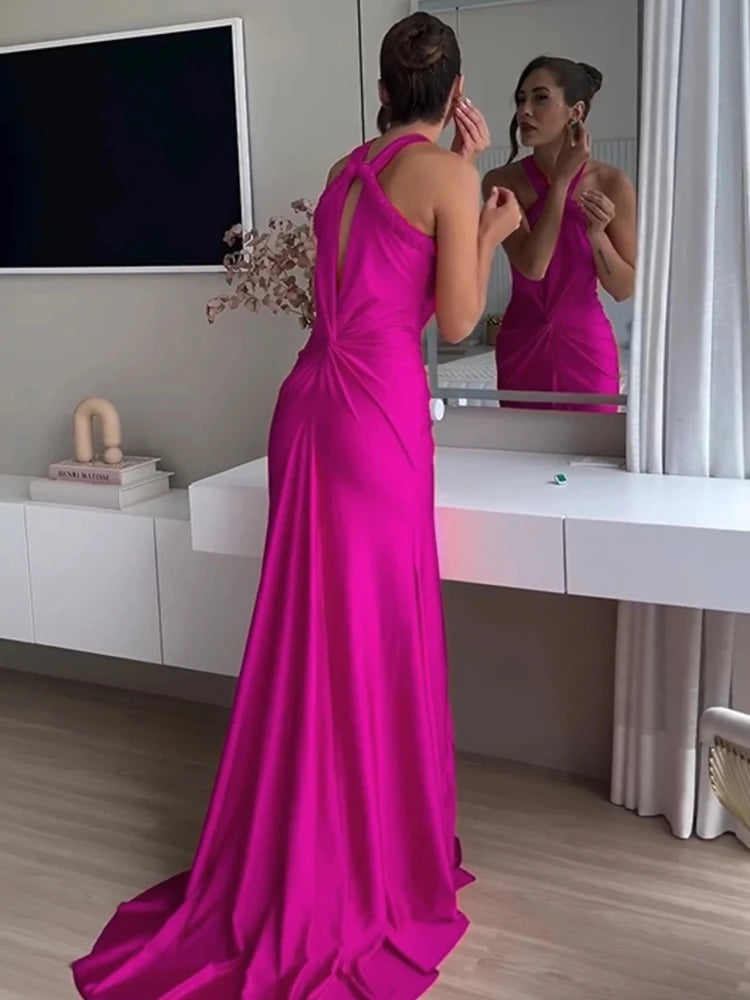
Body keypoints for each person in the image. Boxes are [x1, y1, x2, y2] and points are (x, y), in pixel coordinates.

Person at [71, 13, 521, 1000]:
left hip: (310, 403)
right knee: (373, 630)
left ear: (383, 89)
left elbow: (367, 286)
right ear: (455, 94)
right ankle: (366, 863)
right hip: (376, 417)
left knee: (311, 631)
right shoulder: (447, 176)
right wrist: (487, 220)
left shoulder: (345, 170)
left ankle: (304, 846)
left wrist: (454, 175)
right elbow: (455, 319)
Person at [483, 56, 636, 411]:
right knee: (522, 445)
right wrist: (562, 182)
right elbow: (532, 266)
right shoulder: (501, 182)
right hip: (521, 345)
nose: (524, 110)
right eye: (521, 99)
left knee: (592, 446)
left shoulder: (612, 183)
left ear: (575, 111)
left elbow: (623, 288)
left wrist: (597, 235)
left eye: (540, 98)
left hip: (587, 347)